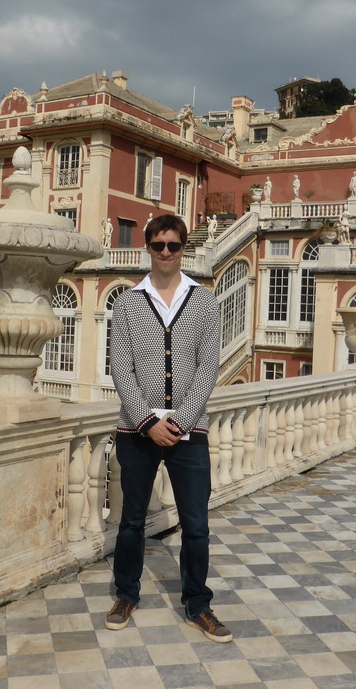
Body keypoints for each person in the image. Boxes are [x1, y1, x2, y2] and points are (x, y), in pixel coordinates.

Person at [105, 214, 230, 642]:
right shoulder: (126, 304)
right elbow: (122, 370)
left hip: (189, 432)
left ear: (183, 249)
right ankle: (126, 594)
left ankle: (198, 604)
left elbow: (207, 368)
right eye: (157, 245)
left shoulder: (205, 302)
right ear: (148, 248)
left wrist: (178, 422)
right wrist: (147, 423)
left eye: (173, 246)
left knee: (196, 525)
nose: (165, 253)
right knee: (131, 522)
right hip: (136, 431)